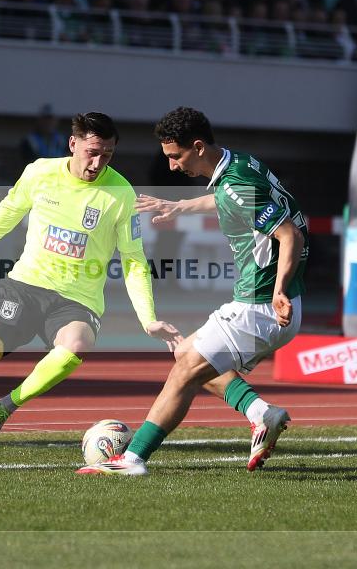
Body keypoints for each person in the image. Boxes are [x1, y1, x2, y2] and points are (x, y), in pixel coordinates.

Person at [0, 112, 182, 469]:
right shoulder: (40, 171)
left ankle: (7, 405)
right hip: (25, 287)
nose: (97, 162)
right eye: (92, 151)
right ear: (72, 144)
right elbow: (8, 211)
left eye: (107, 154)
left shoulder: (120, 194)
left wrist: (148, 319)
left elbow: (134, 260)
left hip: (77, 300)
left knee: (76, 345)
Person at [78, 107, 308, 476]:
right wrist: (180, 206)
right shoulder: (239, 164)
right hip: (270, 303)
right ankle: (261, 414)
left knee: (186, 367)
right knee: (189, 354)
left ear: (198, 147)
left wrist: (278, 288)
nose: (171, 167)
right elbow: (230, 200)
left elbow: (288, 234)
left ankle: (133, 459)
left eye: (175, 156)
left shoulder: (233, 183)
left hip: (262, 305)